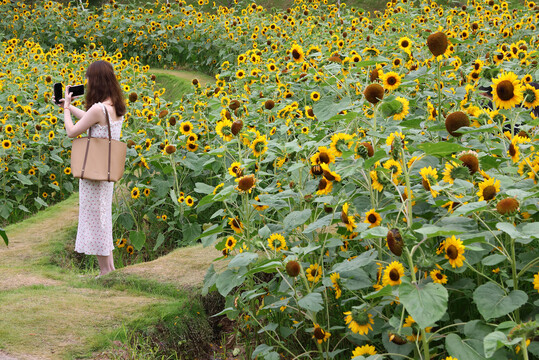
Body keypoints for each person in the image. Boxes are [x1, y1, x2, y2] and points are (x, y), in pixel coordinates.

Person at [53, 60, 126, 277]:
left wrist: (66, 107)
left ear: (95, 81)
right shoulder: (115, 106)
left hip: (92, 173)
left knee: (96, 221)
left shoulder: (98, 108)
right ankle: (110, 270)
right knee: (103, 219)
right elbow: (90, 120)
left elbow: (72, 131)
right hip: (106, 172)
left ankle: (105, 271)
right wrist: (68, 107)